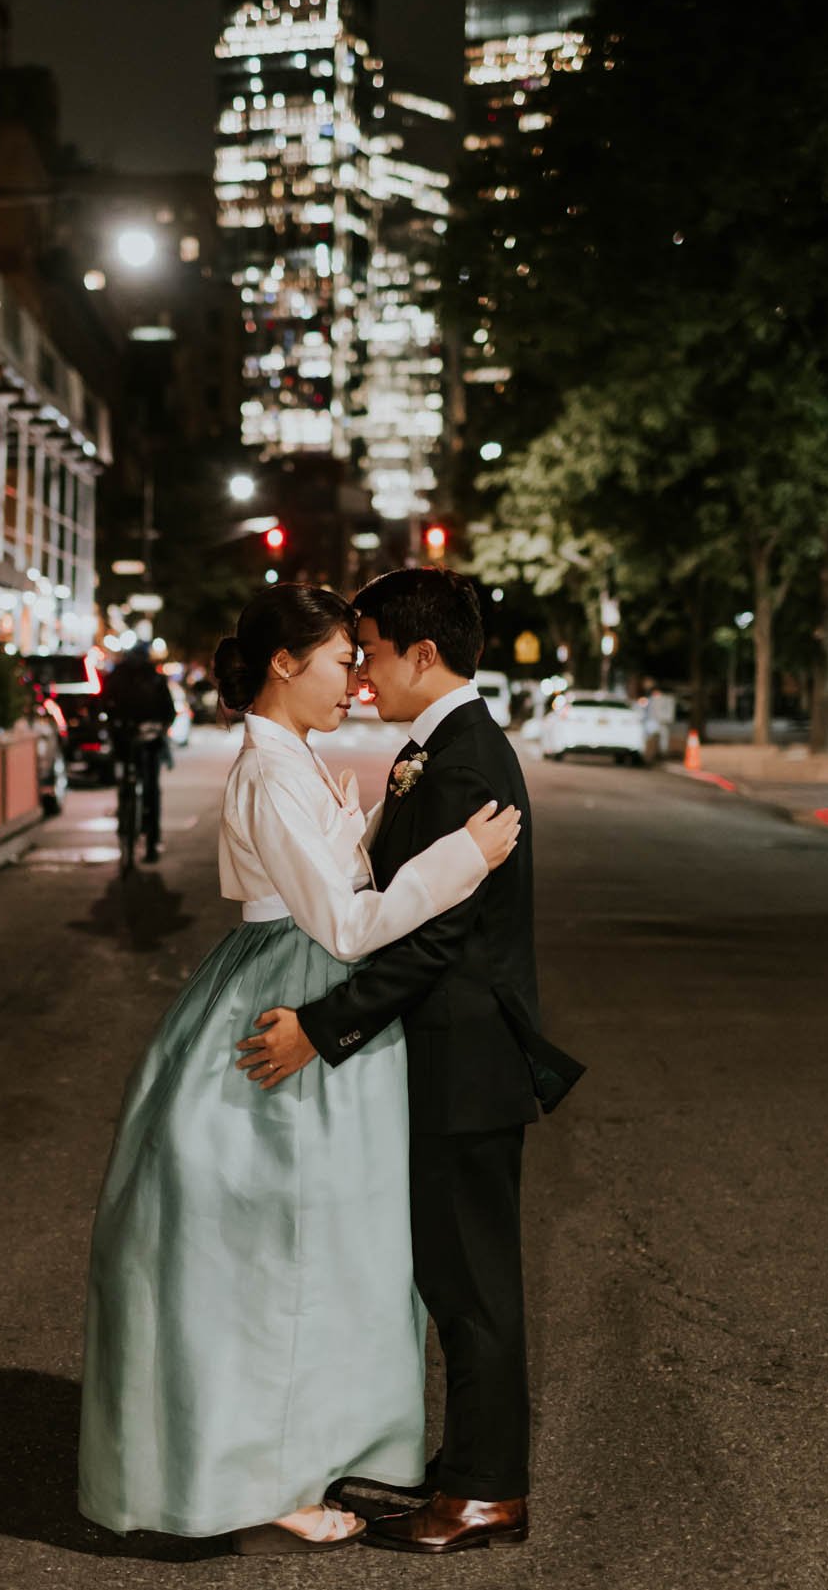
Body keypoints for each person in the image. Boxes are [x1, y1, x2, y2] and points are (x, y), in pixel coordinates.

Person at [79, 584, 523, 1556]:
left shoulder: (298, 756)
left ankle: (308, 1451)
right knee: (272, 1249)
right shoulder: (269, 769)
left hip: (314, 986)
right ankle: (267, 1472)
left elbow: (340, 883)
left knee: (325, 1249)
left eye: (362, 659)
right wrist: (461, 858)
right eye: (338, 660)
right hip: (292, 989)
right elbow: (347, 920)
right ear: (285, 662)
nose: (354, 681)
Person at [236, 567, 584, 1555]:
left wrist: (320, 1026)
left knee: (471, 1280)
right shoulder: (439, 750)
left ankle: (485, 1491)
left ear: (421, 654)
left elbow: (434, 944)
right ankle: (470, 1465)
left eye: (373, 650)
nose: (361, 673)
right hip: (445, 1052)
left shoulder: (465, 758)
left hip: (462, 1056)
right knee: (453, 1274)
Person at [101, 643, 176, 863]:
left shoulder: (119, 675)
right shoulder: (153, 677)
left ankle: (133, 823)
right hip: (142, 739)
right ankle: (151, 841)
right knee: (150, 789)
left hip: (127, 738)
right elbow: (168, 712)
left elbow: (105, 703)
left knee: (137, 784)